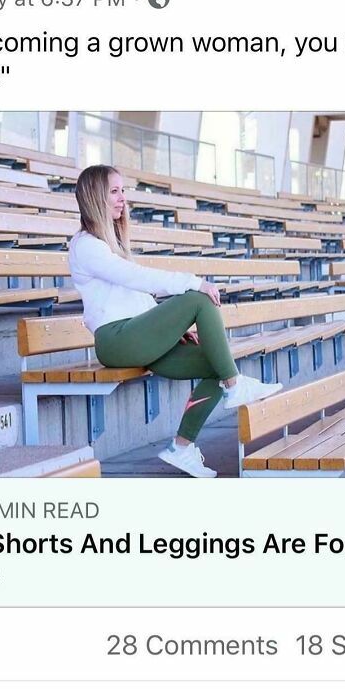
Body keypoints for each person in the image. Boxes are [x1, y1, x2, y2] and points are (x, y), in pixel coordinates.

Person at [68, 165, 282, 478]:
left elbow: (137, 296)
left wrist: (174, 332)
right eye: (114, 192)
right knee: (198, 298)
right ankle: (235, 386)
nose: (122, 199)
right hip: (118, 341)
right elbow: (137, 278)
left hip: (137, 335)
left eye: (123, 191)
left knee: (214, 362)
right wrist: (193, 282)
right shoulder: (86, 246)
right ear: (94, 196)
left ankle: (182, 448)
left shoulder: (108, 242)